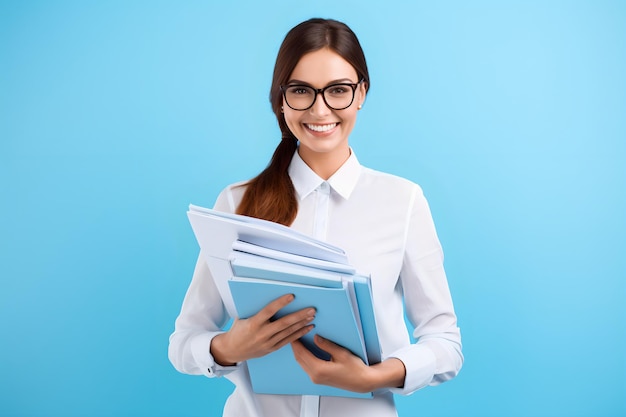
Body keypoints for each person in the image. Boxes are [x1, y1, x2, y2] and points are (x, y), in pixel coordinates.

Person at [169, 18, 463, 417]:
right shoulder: (236, 202)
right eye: (301, 91)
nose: (320, 109)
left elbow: (445, 343)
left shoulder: (403, 201)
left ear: (361, 93)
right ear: (281, 99)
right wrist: (225, 349)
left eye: (338, 90)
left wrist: (375, 378)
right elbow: (184, 341)